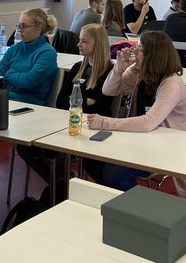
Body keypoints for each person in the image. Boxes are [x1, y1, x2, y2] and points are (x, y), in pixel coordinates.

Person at [18, 24, 117, 207]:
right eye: (79, 40)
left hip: (92, 128)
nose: (78, 44)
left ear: (98, 44)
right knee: (25, 147)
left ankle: (61, 184)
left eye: (84, 41)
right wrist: (85, 101)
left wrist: (78, 101)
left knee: (77, 155)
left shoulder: (109, 72)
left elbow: (100, 108)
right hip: (68, 123)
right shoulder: (78, 67)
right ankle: (61, 181)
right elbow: (61, 101)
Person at [85, 31, 186, 195]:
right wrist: (118, 68)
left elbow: (148, 122)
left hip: (166, 144)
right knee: (90, 159)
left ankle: (139, 205)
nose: (134, 51)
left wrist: (105, 122)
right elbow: (109, 91)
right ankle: (120, 199)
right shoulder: (141, 73)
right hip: (140, 138)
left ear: (153, 56)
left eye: (140, 49)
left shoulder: (171, 83)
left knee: (113, 177)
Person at [0, 8, 58, 105]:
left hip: (29, 104)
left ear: (38, 28)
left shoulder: (47, 53)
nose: (20, 30)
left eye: (24, 26)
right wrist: (18, 79)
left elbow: (28, 81)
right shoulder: (14, 48)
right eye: (19, 26)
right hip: (3, 98)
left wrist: (8, 74)